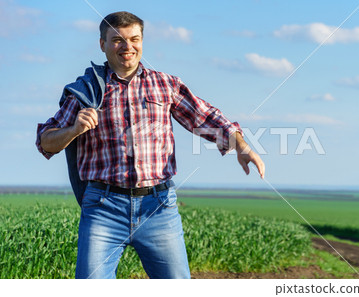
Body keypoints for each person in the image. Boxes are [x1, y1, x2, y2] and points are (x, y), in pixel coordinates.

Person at [35, 11, 265, 279]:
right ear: (102, 44)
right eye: (118, 40)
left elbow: (203, 116)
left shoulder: (165, 85)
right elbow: (46, 142)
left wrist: (240, 144)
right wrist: (74, 130)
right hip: (103, 209)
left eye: (134, 39)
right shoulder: (86, 90)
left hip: (158, 208)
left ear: (142, 41)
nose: (127, 47)